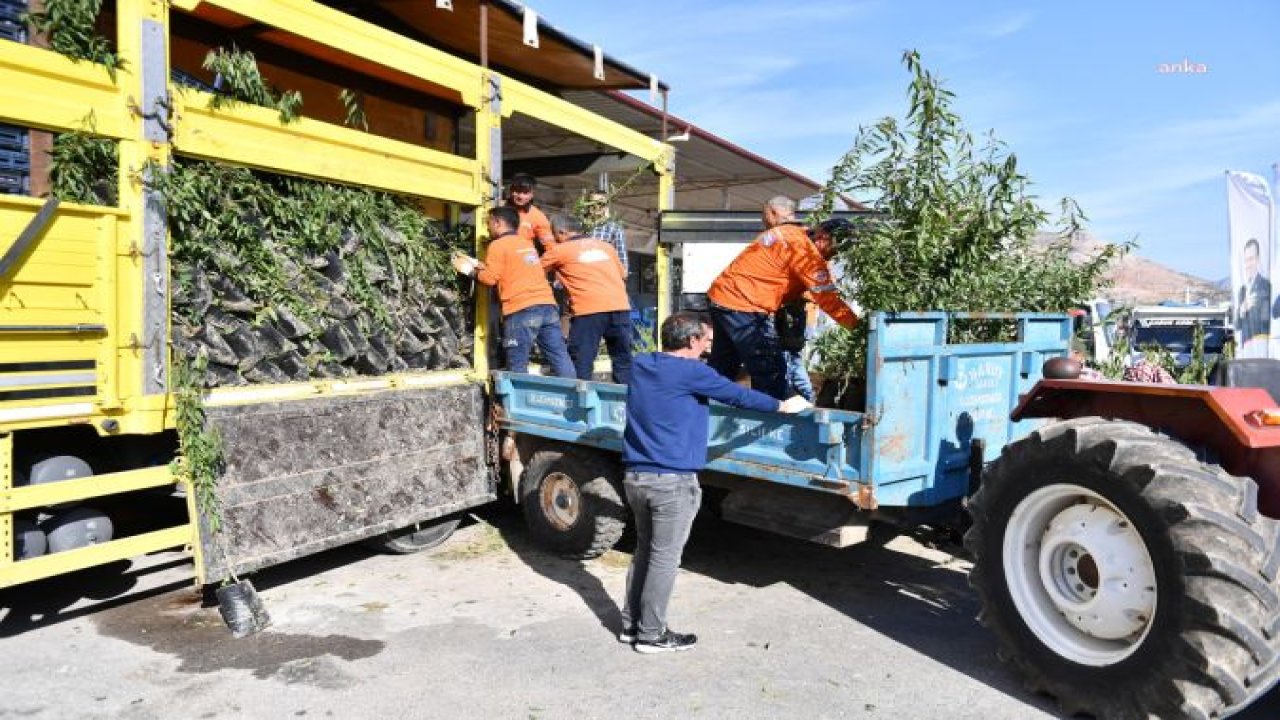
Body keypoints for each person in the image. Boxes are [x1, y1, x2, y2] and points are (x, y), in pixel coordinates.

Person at [619, 312, 811, 653]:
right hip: (671, 482)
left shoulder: (643, 364)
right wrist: (782, 405)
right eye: (706, 340)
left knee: (646, 551)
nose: (709, 346)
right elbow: (737, 396)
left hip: (637, 476)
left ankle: (632, 626)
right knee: (664, 559)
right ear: (691, 340)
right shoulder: (692, 372)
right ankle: (651, 635)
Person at [706, 199, 859, 399]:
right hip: (744, 304)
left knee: (723, 364)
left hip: (722, 296)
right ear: (823, 237)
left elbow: (778, 274)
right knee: (770, 368)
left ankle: (704, 408)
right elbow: (827, 298)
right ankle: (772, 419)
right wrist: (859, 328)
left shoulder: (790, 233)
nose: (835, 255)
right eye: (835, 248)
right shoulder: (807, 255)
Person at [453, 206, 573, 377]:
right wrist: (479, 265)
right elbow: (512, 269)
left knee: (517, 363)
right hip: (547, 306)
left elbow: (489, 279)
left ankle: (516, 403)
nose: (487, 227)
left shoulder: (498, 245)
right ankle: (574, 399)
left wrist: (469, 271)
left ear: (497, 222)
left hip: (522, 309)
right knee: (560, 357)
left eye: (488, 223)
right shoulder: (526, 244)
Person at [541, 214, 633, 384]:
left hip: (589, 310)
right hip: (620, 307)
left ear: (561, 232)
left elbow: (533, 272)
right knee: (623, 359)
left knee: (581, 360)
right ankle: (624, 404)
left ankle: (581, 405)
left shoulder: (559, 251)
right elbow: (623, 274)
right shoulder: (607, 247)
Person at [582, 190, 630, 277]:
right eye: (592, 203)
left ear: (606, 206)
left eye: (600, 203)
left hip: (603, 276)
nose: (596, 206)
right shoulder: (579, 225)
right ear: (587, 205)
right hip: (581, 275)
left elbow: (623, 266)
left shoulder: (614, 229)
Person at [505, 173, 556, 252]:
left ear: (532, 194)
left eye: (525, 193)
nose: (520, 197)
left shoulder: (537, 216)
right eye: (517, 192)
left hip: (523, 258)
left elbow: (550, 246)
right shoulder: (500, 209)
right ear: (511, 190)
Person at [1238, 237, 1270, 343]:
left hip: (1261, 346)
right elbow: (1237, 326)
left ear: (1258, 259)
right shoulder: (1242, 290)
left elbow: (1266, 321)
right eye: (1246, 260)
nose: (1248, 264)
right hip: (1245, 349)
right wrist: (1242, 311)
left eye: (1251, 259)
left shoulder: (1266, 286)